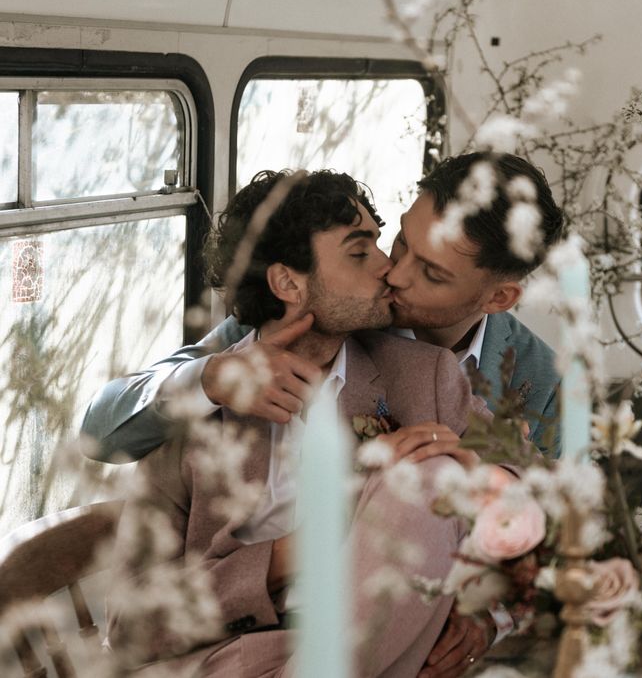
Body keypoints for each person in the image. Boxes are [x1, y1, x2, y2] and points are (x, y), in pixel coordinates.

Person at [106, 169, 490, 677]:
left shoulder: (428, 379)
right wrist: (296, 551)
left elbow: (530, 505)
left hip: (393, 643)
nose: (388, 269)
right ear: (288, 282)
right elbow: (131, 626)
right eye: (359, 253)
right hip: (242, 657)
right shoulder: (196, 414)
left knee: (429, 476)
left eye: (379, 243)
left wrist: (486, 615)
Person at [82, 152, 563, 465]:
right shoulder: (318, 319)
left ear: (497, 298)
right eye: (400, 241)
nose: (393, 273)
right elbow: (102, 431)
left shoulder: (541, 383)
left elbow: (552, 535)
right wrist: (209, 377)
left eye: (431, 273)